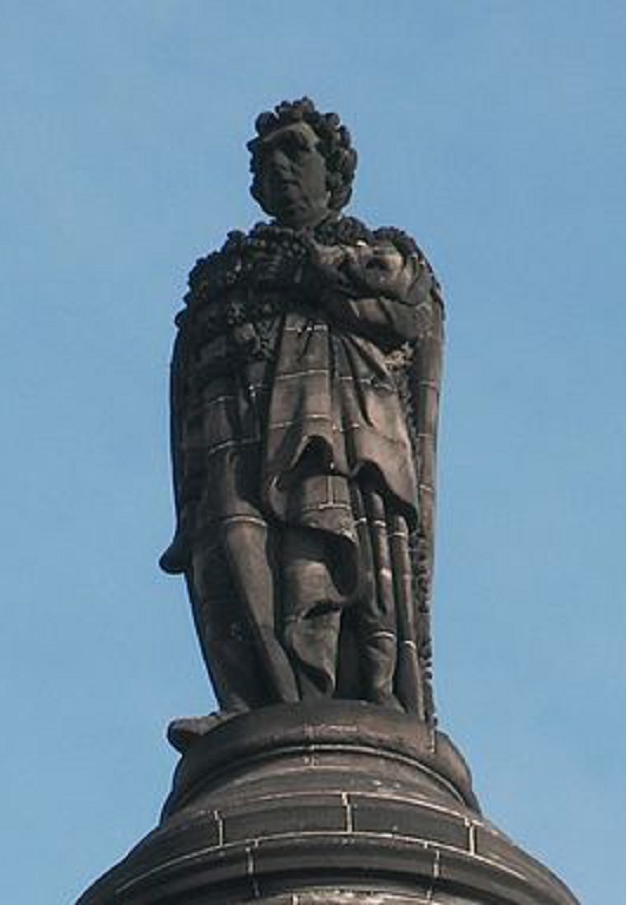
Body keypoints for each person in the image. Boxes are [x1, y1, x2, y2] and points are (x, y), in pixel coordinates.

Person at [160, 98, 443, 747]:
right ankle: (257, 701)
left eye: (296, 151)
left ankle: (349, 700)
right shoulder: (220, 279)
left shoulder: (378, 251)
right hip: (234, 430)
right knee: (230, 547)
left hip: (339, 433)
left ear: (333, 171)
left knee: (327, 555)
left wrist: (310, 266)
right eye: (265, 161)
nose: (280, 168)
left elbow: (401, 312)